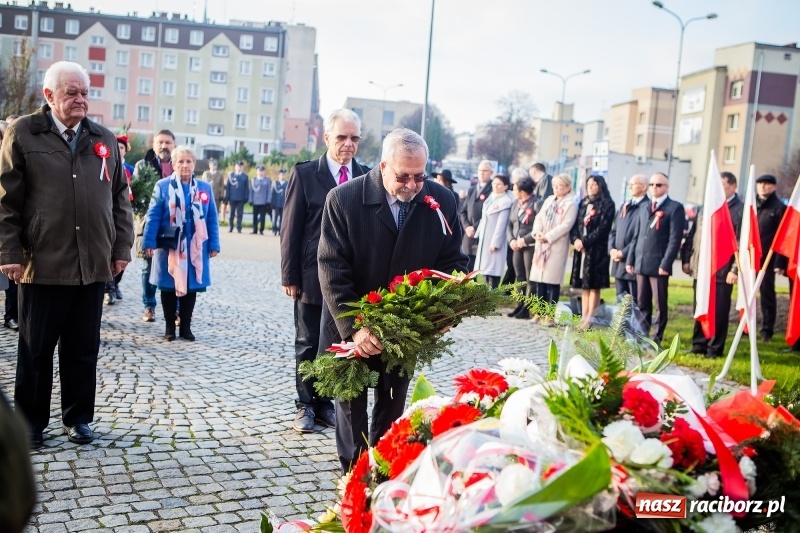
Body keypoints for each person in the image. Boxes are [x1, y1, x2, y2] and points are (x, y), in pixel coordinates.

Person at [317, 128, 468, 474]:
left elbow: (452, 263)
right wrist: (355, 329)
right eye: (403, 176)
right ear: (383, 166)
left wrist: (444, 309)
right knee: (351, 412)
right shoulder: (343, 199)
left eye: (420, 176)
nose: (413, 186)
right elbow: (331, 267)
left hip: (404, 332)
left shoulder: (442, 201)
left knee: (391, 407)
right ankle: (354, 482)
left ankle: (384, 479)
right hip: (349, 331)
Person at [0, 60, 134, 448]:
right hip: (42, 261)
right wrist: (9, 250)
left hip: (92, 262)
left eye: (85, 93)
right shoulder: (24, 133)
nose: (80, 100)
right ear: (48, 95)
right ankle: (30, 423)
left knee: (82, 347)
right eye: (71, 93)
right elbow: (6, 200)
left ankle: (78, 417)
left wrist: (121, 247)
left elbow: (119, 199)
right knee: (35, 348)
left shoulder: (104, 139)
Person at [280, 108, 370, 434]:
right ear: (327, 137)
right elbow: (290, 229)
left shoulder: (366, 176)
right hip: (309, 276)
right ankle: (305, 404)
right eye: (342, 137)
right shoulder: (305, 174)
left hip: (347, 282)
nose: (348, 143)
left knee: (336, 343)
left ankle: (324, 402)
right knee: (307, 342)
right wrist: (289, 276)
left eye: (355, 138)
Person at [142, 146, 220, 341]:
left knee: (191, 287)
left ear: (194, 164)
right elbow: (153, 216)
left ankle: (185, 326)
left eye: (189, 162)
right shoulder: (162, 185)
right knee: (168, 287)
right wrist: (148, 242)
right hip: (168, 246)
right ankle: (169, 326)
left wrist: (214, 244)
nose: (185, 165)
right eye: (181, 162)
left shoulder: (205, 188)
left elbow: (211, 217)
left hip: (195, 247)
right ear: (174, 165)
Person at [681, 171, 743, 358]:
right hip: (701, 269)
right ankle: (699, 344)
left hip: (722, 270)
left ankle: (715, 348)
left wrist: (734, 269)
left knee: (719, 311)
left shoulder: (738, 210)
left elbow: (739, 242)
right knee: (699, 307)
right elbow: (693, 235)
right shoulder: (706, 206)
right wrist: (686, 259)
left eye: (722, 186)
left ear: (733, 186)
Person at [626, 172, 686, 345]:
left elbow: (675, 239)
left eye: (658, 185)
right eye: (652, 184)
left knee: (659, 304)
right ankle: (642, 336)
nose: (654, 188)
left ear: (667, 187)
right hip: (641, 262)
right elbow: (637, 235)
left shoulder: (674, 208)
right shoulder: (645, 207)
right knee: (642, 302)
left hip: (659, 263)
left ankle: (656, 338)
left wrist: (666, 263)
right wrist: (631, 260)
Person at [134, 130, 176, 322]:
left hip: (175, 227)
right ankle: (149, 306)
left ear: (174, 145)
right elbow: (136, 194)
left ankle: (175, 309)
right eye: (160, 142)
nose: (164, 146)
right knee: (148, 266)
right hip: (149, 224)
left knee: (175, 267)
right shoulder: (142, 166)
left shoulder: (180, 166)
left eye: (168, 142)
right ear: (154, 145)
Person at [528, 174, 578, 324]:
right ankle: (539, 312)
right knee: (540, 281)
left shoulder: (571, 203)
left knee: (552, 282)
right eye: (555, 186)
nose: (556, 189)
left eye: (560, 186)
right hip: (541, 244)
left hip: (555, 245)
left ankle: (549, 315)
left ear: (568, 187)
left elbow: (566, 225)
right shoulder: (549, 200)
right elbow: (539, 217)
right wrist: (537, 232)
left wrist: (548, 236)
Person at [570, 175, 616, 328]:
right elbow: (576, 225)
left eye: (594, 184)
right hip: (581, 249)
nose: (590, 187)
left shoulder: (607, 204)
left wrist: (585, 241)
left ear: (600, 186)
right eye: (588, 184)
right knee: (584, 284)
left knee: (593, 284)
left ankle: (590, 318)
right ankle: (583, 316)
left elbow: (603, 228)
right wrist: (576, 240)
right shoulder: (584, 203)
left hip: (597, 249)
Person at [754, 174, 788, 342]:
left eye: (766, 184)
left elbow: (784, 237)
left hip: (768, 259)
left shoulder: (779, 208)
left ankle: (767, 330)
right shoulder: (752, 205)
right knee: (746, 294)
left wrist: (780, 262)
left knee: (767, 294)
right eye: (760, 183)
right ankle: (746, 327)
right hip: (750, 257)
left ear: (774, 187)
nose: (762, 187)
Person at [102, 135, 135, 305]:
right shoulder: (102, 160)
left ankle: (115, 283)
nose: (119, 150)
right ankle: (108, 288)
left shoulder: (129, 168)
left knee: (121, 254)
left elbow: (134, 189)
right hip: (105, 216)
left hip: (124, 213)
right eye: (117, 147)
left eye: (122, 148)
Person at [609, 174, 649, 304]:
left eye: (634, 184)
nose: (630, 186)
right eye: (629, 184)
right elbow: (614, 230)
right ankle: (622, 325)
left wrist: (624, 252)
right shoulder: (625, 206)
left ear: (643, 187)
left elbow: (639, 236)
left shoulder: (646, 207)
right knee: (620, 301)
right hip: (618, 261)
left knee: (633, 301)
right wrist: (612, 249)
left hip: (632, 261)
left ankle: (633, 325)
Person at [475, 174, 513, 288]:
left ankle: (492, 298)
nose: (495, 186)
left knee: (493, 270)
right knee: (486, 270)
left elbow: (502, 225)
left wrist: (495, 243)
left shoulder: (505, 201)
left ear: (506, 186)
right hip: (485, 238)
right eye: (494, 183)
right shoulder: (491, 197)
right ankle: (486, 298)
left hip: (494, 240)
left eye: (499, 184)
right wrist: (477, 234)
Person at [507, 177, 537, 319]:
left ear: (523, 192)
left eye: (515, 189)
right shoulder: (515, 204)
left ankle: (527, 307)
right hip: (516, 245)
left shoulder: (536, 203)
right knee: (519, 276)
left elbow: (538, 227)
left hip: (530, 245)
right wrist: (512, 240)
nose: (513, 192)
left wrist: (525, 240)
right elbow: (509, 224)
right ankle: (519, 305)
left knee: (529, 277)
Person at [459, 160, 494, 271]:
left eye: (485, 170)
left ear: (491, 172)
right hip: (468, 236)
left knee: (479, 271)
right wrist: (467, 227)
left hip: (482, 235)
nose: (481, 173)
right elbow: (462, 211)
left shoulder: (494, 190)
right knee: (466, 271)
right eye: (479, 170)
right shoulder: (472, 189)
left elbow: (489, 213)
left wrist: (474, 228)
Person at [226, 161, 249, 233]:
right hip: (232, 197)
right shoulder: (231, 175)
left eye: (240, 166)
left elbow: (246, 188)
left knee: (240, 213)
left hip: (241, 198)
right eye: (237, 166)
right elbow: (228, 187)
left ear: (242, 167)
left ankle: (239, 227)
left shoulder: (245, 176)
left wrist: (246, 197)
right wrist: (227, 196)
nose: (239, 167)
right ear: (235, 167)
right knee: (231, 213)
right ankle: (231, 226)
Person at [249, 165, 272, 235]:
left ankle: (261, 230)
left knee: (262, 217)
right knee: (255, 216)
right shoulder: (253, 180)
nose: (260, 172)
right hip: (255, 201)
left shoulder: (267, 180)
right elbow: (251, 191)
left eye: (262, 171)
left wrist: (268, 200)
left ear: (264, 172)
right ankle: (254, 229)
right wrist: (250, 200)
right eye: (259, 171)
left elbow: (269, 191)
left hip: (263, 201)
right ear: (257, 171)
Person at [271, 169, 287, 236]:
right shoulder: (275, 183)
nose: (282, 176)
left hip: (283, 204)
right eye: (281, 174)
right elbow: (272, 194)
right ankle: (274, 229)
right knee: (275, 218)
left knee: (282, 219)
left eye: (283, 174)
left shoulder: (287, 183)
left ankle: (280, 231)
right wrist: (272, 203)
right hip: (276, 204)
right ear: (279, 175)